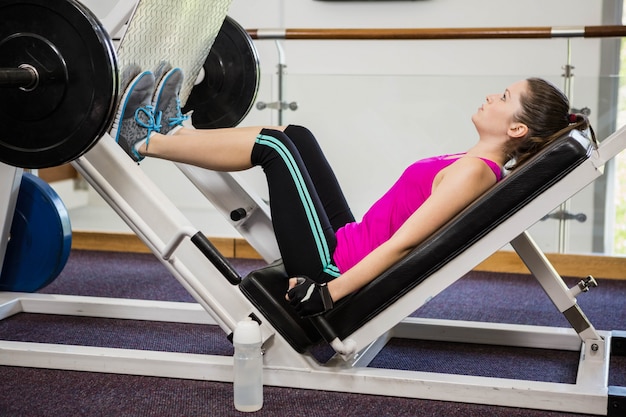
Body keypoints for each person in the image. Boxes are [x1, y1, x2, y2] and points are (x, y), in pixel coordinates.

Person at [110, 65, 595, 318]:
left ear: (516, 129)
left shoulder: (478, 173)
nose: (492, 95)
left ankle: (145, 141)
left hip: (334, 265)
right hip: (347, 237)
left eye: (504, 98)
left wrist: (330, 294)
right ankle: (177, 131)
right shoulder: (472, 162)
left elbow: (406, 244)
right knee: (297, 135)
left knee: (278, 149)